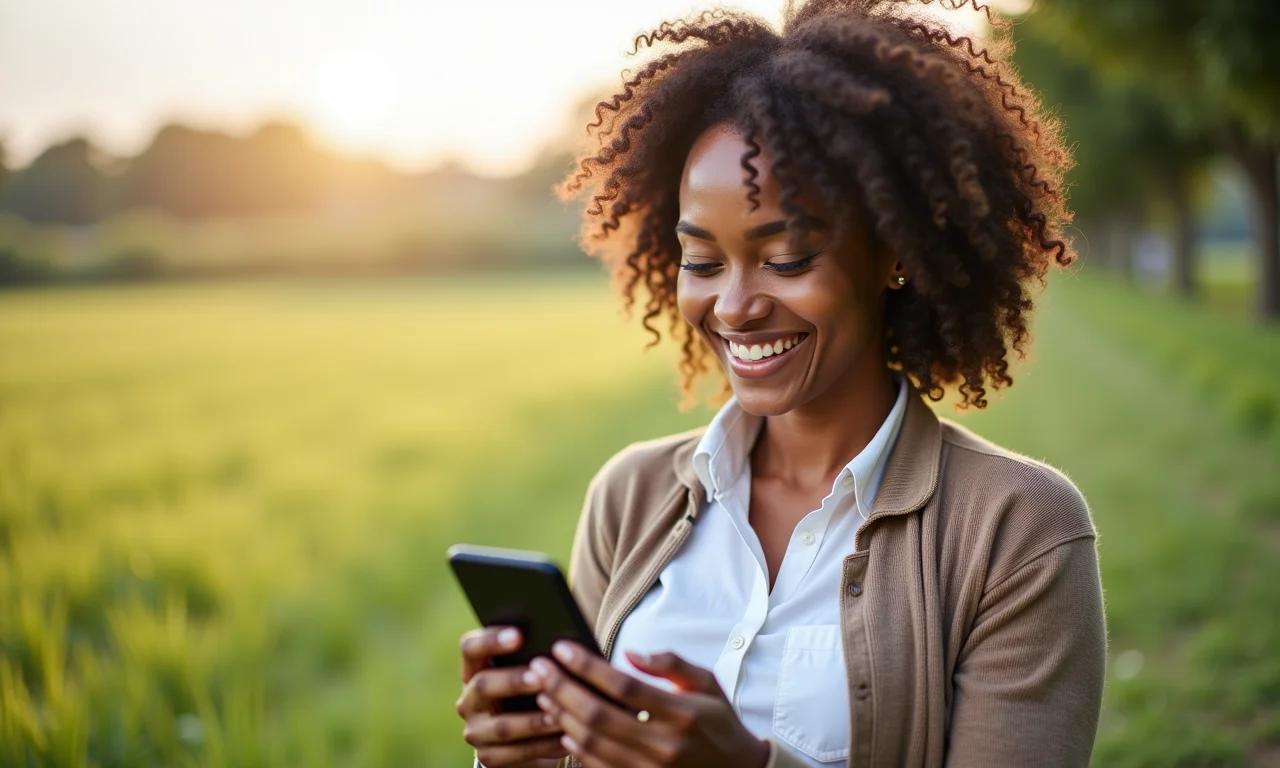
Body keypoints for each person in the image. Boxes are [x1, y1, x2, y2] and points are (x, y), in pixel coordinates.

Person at [455, 0, 1107, 765]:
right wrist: (522, 754)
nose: (735, 306)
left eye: (787, 258)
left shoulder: (1017, 530)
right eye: (702, 262)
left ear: (894, 252)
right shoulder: (629, 496)